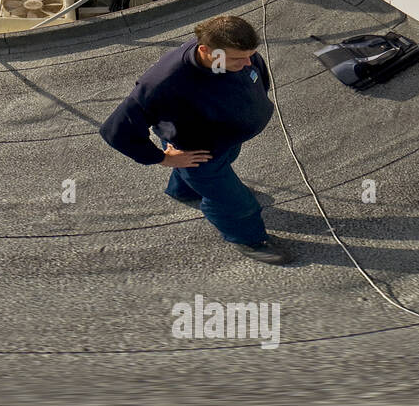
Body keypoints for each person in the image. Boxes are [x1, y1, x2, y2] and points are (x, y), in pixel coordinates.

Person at [101, 15, 297, 265]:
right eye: (238, 58)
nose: (248, 62)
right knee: (235, 201)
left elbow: (258, 74)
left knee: (205, 172)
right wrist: (162, 158)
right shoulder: (164, 82)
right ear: (206, 50)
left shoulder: (238, 56)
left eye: (250, 54)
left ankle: (183, 191)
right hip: (199, 153)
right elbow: (116, 130)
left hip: (224, 139)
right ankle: (249, 240)